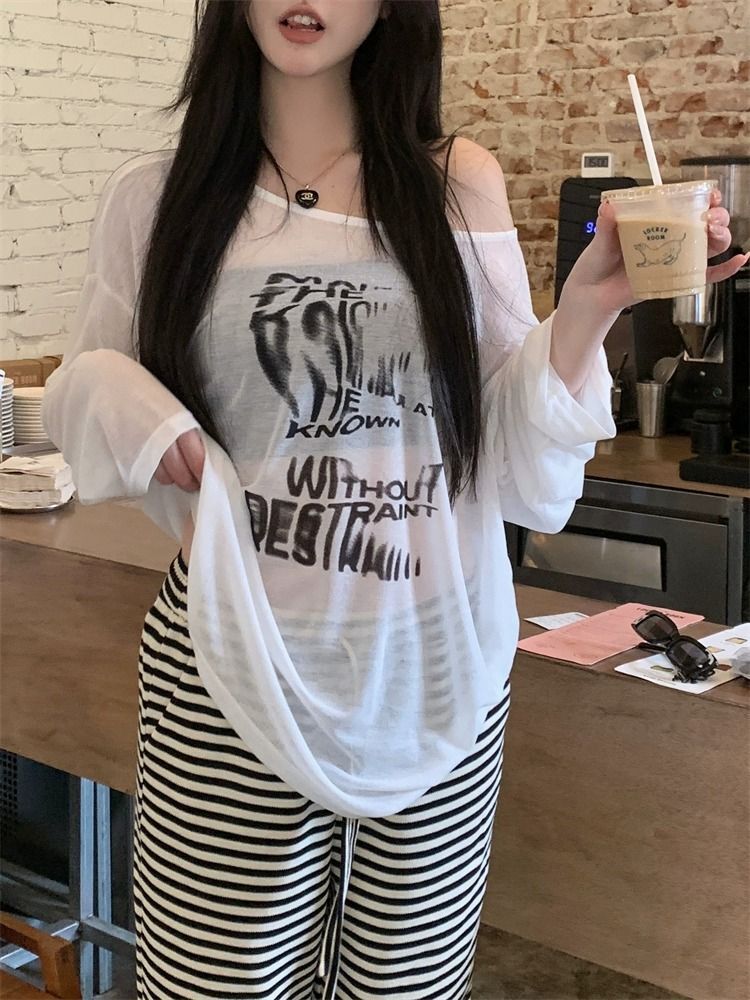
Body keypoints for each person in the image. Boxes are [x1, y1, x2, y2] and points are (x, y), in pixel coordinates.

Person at [41, 2, 747, 998]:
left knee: (408, 984)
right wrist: (137, 406)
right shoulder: (155, 196)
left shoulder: (456, 182)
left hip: (436, 669)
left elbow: (504, 446)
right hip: (234, 663)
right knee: (215, 981)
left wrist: (590, 305)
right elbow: (81, 383)